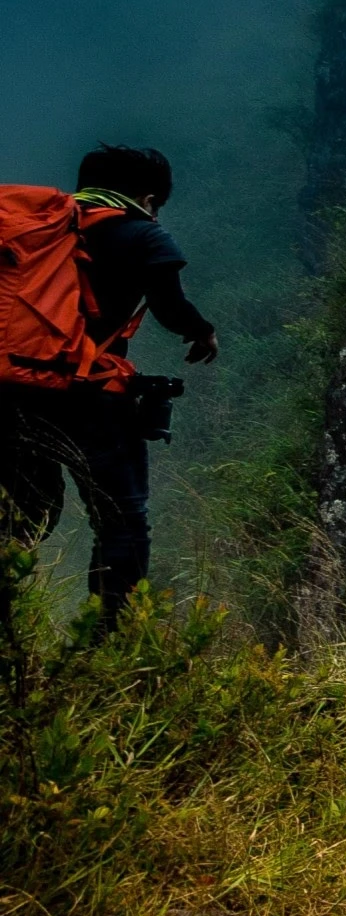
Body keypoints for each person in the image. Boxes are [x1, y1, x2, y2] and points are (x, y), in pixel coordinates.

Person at [0, 144, 220, 616]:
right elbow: (169, 307)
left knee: (23, 515)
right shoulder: (141, 234)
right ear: (148, 197)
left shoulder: (34, 230)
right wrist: (201, 332)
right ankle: (108, 639)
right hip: (89, 401)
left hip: (13, 390)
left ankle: (11, 632)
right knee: (122, 519)